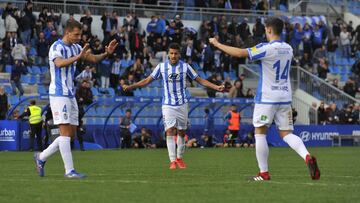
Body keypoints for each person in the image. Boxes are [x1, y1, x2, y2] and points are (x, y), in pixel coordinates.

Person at [209, 17, 320, 181]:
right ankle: (307, 156)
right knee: (286, 133)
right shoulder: (288, 48)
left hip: (267, 97)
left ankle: (263, 173)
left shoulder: (266, 48)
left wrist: (218, 45)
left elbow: (240, 53)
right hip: (285, 96)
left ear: (268, 30)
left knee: (260, 133)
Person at [33, 20, 118, 179]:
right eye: (76, 34)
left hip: (70, 94)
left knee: (70, 135)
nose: (79, 37)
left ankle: (41, 157)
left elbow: (92, 58)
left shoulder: (76, 47)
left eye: (80, 34)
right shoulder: (56, 47)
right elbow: (59, 64)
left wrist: (107, 53)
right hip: (59, 93)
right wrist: (78, 56)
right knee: (65, 133)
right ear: (67, 32)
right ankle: (69, 171)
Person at [123, 42, 224, 170]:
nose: (173, 55)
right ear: (168, 54)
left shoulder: (186, 67)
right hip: (168, 105)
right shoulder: (161, 67)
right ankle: (172, 161)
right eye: (171, 53)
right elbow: (147, 80)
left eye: (176, 53)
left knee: (181, 132)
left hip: (182, 104)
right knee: (170, 131)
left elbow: (200, 80)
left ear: (179, 54)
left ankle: (179, 158)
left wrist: (216, 87)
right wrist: (131, 86)